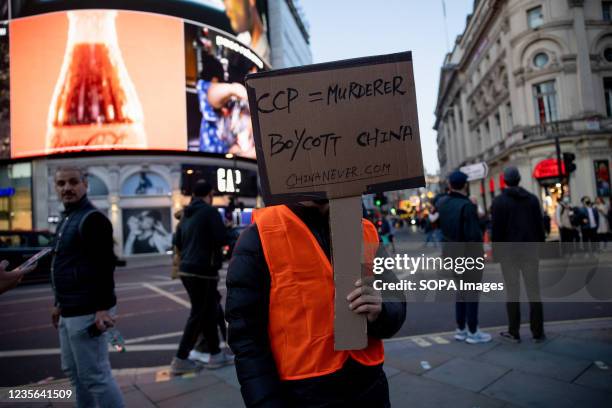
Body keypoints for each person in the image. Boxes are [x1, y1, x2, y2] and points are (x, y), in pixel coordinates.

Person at [226, 200, 406, 407]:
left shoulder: (362, 227)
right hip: (303, 394)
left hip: (370, 387)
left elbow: (396, 299)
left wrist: (381, 310)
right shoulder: (259, 236)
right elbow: (247, 338)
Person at [51, 167, 124, 408]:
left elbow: (105, 266)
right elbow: (63, 264)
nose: (67, 188)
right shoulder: (67, 218)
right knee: (74, 373)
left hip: (87, 311)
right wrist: (58, 303)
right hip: (69, 308)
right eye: (61, 184)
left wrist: (103, 309)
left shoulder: (92, 219)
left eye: (73, 182)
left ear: (85, 185)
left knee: (95, 376)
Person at [171, 179, 231, 374]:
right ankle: (180, 358)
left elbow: (177, 241)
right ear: (210, 194)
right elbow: (222, 238)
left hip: (187, 269)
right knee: (199, 313)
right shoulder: (209, 212)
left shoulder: (185, 215)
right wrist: (229, 229)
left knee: (208, 312)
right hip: (203, 270)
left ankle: (215, 354)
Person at [491, 166, 546, 343]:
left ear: (505, 181)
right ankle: (538, 331)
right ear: (519, 179)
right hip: (530, 252)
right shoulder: (532, 199)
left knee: (512, 292)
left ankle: (514, 331)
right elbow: (539, 227)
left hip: (509, 254)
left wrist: (496, 254)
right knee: (534, 292)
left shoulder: (499, 202)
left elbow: (497, 232)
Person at [437, 171, 491, 344]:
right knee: (472, 294)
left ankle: (460, 329)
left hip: (452, 255)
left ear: (450, 185)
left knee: (460, 292)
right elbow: (474, 236)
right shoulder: (467, 205)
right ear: (465, 185)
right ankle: (473, 332)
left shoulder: (443, 203)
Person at [223, 0, 270, 64]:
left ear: (251, 1)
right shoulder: (241, 40)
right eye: (227, 11)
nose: (228, 14)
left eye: (233, 11)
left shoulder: (269, 49)